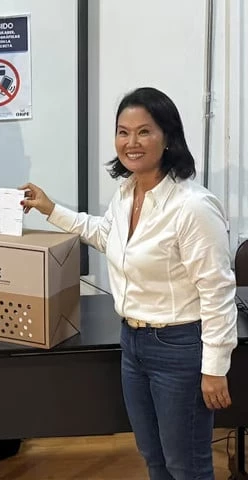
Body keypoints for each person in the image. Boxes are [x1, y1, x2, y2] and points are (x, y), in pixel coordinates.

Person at [20, 87, 237, 480]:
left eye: (144, 132)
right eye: (123, 132)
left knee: (186, 465)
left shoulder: (192, 206)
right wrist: (50, 209)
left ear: (168, 137)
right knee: (153, 456)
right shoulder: (126, 193)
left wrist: (215, 368)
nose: (131, 142)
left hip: (179, 348)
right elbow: (105, 235)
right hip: (133, 344)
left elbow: (218, 292)